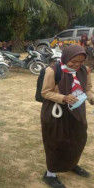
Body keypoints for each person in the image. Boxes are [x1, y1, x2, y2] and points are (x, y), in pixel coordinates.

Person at [41, 45, 93, 188]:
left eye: (81, 61)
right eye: (74, 61)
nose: (77, 65)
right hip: (56, 113)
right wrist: (63, 97)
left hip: (77, 112)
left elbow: (87, 89)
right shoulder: (53, 71)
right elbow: (45, 93)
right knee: (56, 142)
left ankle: (72, 164)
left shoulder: (85, 70)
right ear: (65, 58)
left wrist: (91, 98)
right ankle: (50, 174)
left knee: (78, 139)